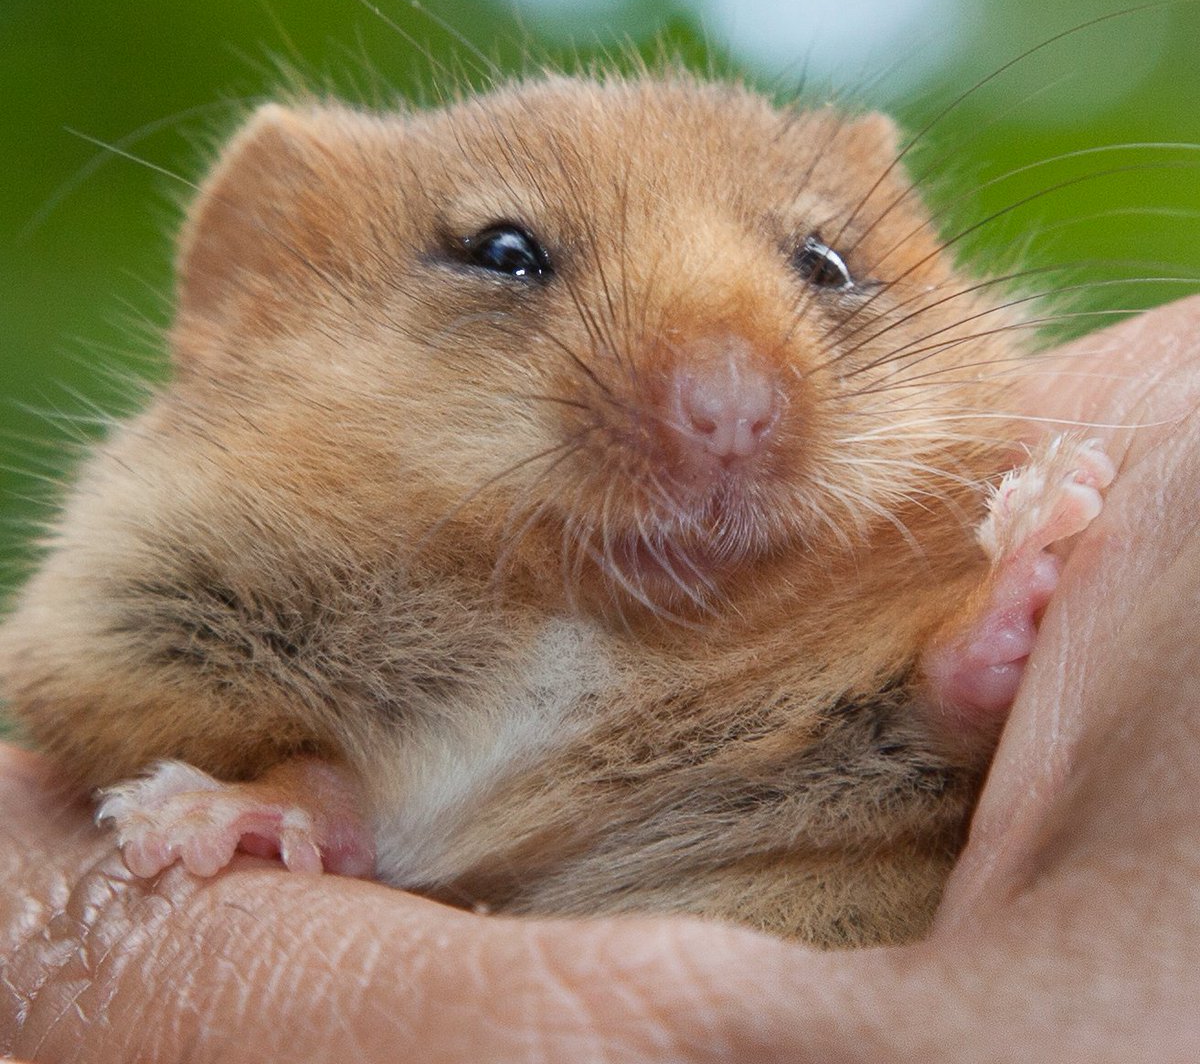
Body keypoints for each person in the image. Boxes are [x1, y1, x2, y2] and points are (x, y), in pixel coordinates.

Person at [2, 298, 1198, 1064]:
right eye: (511, 256)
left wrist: (948, 675)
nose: (727, 402)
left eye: (822, 263)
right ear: (258, 284)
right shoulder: (246, 531)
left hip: (791, 873)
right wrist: (298, 776)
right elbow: (92, 663)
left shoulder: (936, 537)